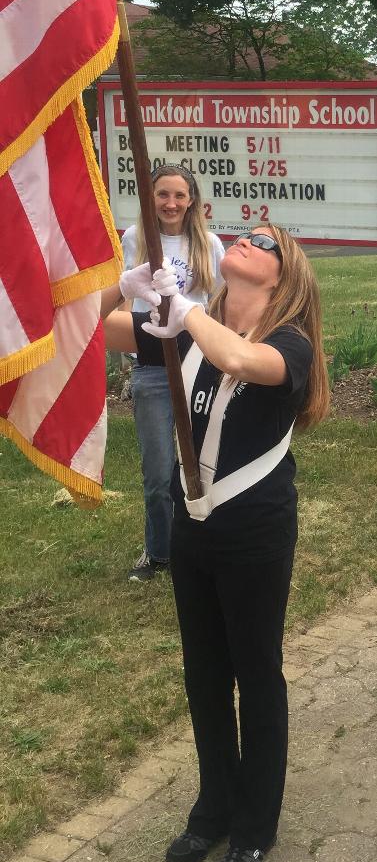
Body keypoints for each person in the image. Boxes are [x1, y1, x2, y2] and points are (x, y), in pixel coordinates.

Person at [103, 226, 330, 862]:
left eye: (264, 241)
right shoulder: (190, 328)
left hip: (256, 528)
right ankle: (215, 803)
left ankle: (256, 824)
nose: (246, 236)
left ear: (281, 276)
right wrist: (123, 290)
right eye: (247, 231)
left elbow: (238, 359)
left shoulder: (289, 343)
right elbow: (103, 330)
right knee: (203, 673)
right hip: (194, 529)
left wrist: (185, 311)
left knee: (257, 674)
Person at [104, 164, 225, 582]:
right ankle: (159, 553)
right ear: (150, 198)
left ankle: (204, 547)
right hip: (152, 364)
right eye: (162, 195)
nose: (171, 203)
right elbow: (122, 299)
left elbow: (221, 304)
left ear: (192, 199)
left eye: (179, 195)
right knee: (158, 471)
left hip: (199, 364)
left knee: (204, 464)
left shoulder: (208, 243)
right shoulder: (136, 239)